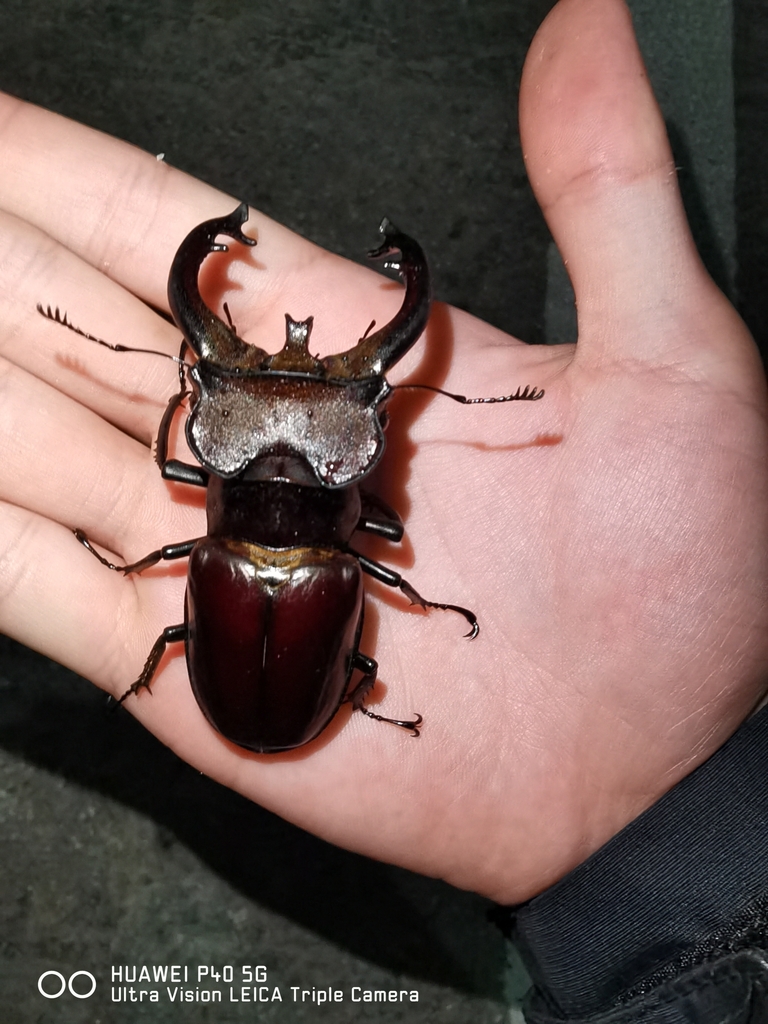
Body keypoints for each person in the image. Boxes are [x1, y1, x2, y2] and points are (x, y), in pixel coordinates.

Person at [0, 0, 764, 1018]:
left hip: (252, 643)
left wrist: (196, 391)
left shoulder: (209, 529)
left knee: (218, 617)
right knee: (337, 624)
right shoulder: (360, 552)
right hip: (300, 657)